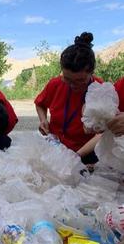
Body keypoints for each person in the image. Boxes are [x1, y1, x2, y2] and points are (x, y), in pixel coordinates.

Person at [35, 32, 102, 164]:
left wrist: (75, 157)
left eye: (79, 80)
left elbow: (103, 134)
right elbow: (40, 104)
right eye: (67, 79)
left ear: (91, 72)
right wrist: (43, 120)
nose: (72, 85)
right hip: (56, 149)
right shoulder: (55, 84)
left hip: (85, 153)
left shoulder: (100, 91)